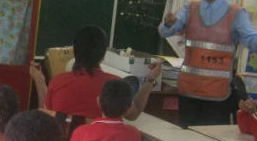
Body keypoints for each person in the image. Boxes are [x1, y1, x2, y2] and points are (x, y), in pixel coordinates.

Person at [158, 0, 257, 128]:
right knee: (186, 139)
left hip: (218, 93)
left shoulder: (235, 13)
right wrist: (169, 23)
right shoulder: (190, 8)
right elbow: (164, 32)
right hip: (189, 90)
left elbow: (254, 45)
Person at [29, 25, 162, 120]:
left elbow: (45, 115)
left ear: (74, 51)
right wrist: (150, 80)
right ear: (104, 54)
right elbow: (134, 114)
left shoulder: (58, 81)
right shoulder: (115, 85)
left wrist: (39, 81)